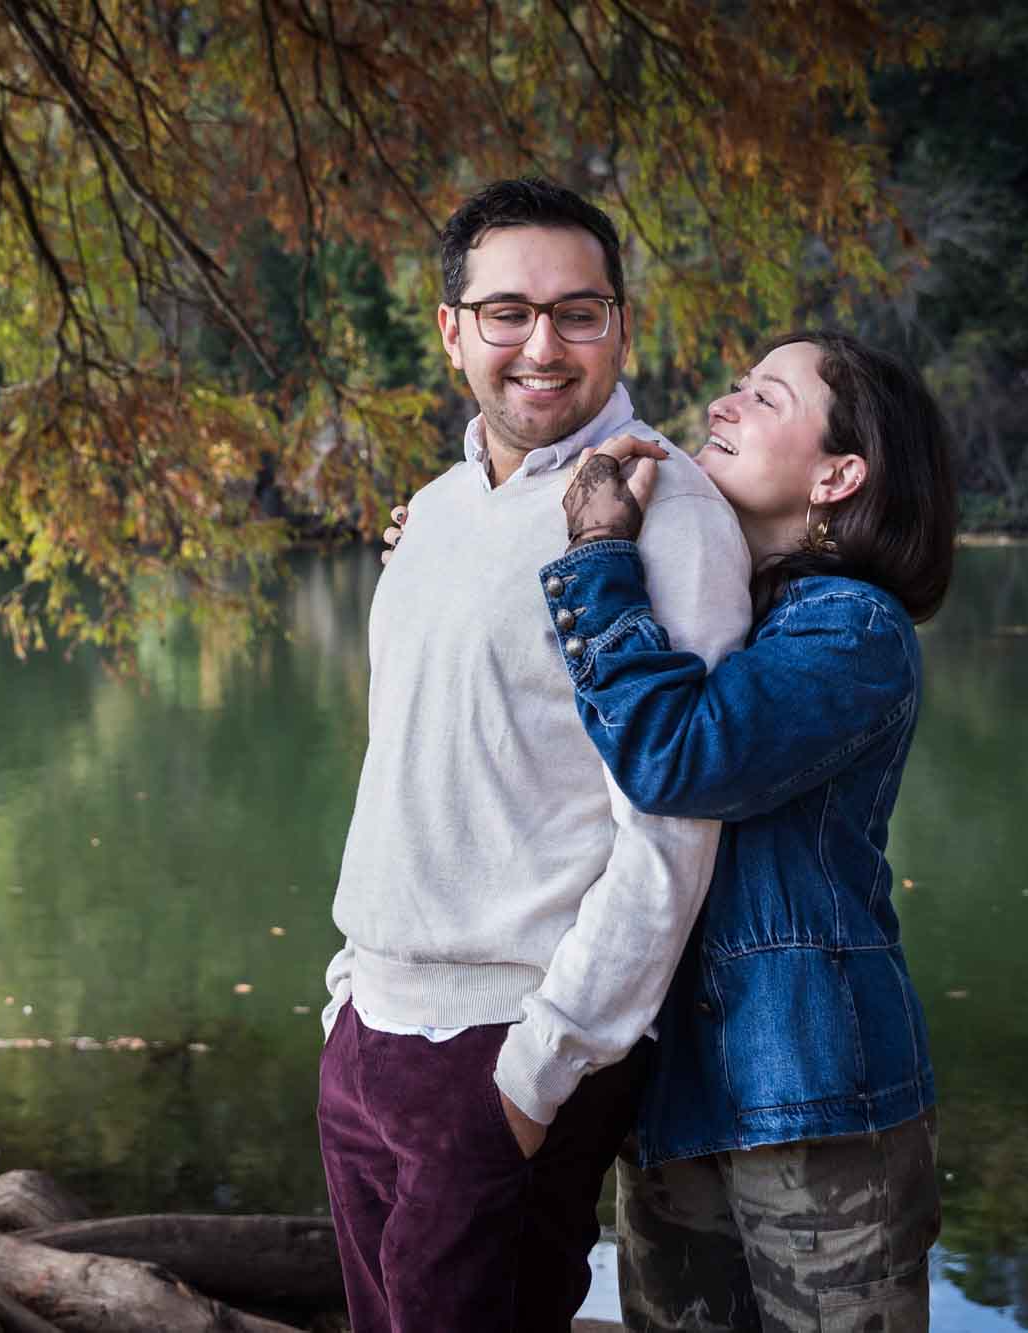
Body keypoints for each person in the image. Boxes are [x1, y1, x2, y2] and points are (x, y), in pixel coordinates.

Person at [315, 177, 753, 1333]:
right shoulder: (433, 510)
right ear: (452, 329)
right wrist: (346, 994)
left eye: (579, 311)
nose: (542, 346)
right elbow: (409, 763)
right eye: (506, 312)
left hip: (511, 1046)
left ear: (620, 324)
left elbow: (669, 822)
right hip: (369, 1030)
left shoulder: (665, 513)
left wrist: (538, 1070)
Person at [541, 330, 958, 1332]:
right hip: (670, 1091)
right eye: (732, 387)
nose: (722, 406)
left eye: (763, 399)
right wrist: (430, 541)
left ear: (838, 473)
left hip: (814, 1091)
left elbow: (679, 757)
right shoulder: (705, 598)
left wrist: (597, 557)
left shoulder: (850, 628)